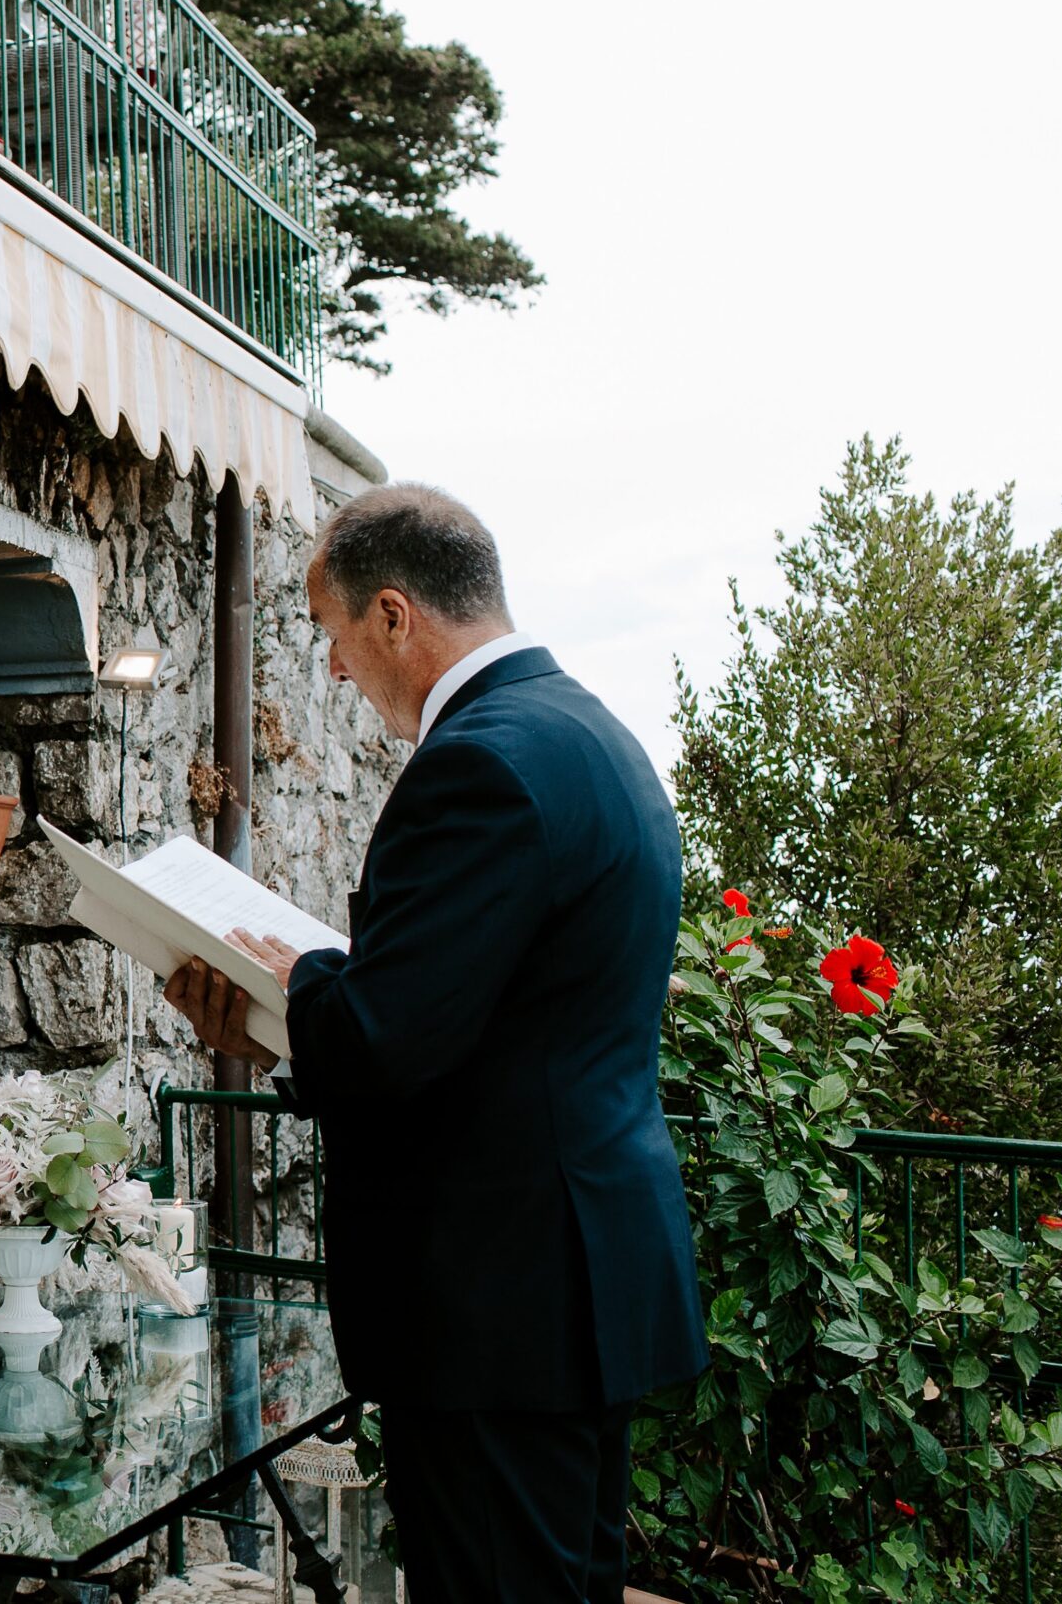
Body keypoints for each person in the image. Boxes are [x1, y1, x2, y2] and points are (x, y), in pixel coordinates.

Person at [164, 484, 706, 1604]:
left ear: (395, 616)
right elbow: (489, 1025)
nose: (330, 671)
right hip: (572, 1281)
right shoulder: (595, 735)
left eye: (330, 633)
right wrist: (292, 1032)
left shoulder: (480, 763)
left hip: (497, 1306)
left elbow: (383, 1040)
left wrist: (290, 975)